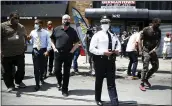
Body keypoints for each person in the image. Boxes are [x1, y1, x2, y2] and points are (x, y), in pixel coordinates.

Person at [89, 15, 121, 106]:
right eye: (103, 22)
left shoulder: (113, 35)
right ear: (100, 23)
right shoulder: (97, 35)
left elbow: (118, 45)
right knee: (99, 81)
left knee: (111, 82)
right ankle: (98, 99)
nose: (105, 24)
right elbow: (91, 49)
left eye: (106, 22)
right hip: (100, 61)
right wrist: (103, 52)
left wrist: (118, 51)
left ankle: (114, 101)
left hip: (111, 61)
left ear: (109, 23)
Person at [51, 14, 79, 97]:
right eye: (64, 19)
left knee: (66, 73)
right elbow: (52, 40)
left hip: (68, 54)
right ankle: (59, 82)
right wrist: (54, 49)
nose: (66, 21)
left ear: (70, 21)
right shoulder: (56, 29)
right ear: (62, 20)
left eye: (67, 19)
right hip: (58, 53)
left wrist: (72, 51)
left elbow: (77, 43)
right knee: (56, 70)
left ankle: (65, 90)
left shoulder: (73, 31)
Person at [1, 12, 29, 92]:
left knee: (21, 69)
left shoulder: (21, 26)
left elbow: (25, 36)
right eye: (15, 19)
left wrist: (26, 42)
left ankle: (18, 81)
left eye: (18, 19)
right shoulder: (2, 26)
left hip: (19, 53)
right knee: (7, 71)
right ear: (10, 18)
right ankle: (10, 85)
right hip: (6, 53)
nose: (17, 21)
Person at [139, 18, 161, 91]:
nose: (158, 25)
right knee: (145, 66)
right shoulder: (146, 29)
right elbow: (140, 39)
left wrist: (155, 49)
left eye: (159, 24)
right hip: (146, 50)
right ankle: (142, 83)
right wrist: (141, 50)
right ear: (153, 23)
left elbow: (159, 42)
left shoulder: (158, 31)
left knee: (156, 66)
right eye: (157, 24)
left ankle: (146, 79)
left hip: (153, 51)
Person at [29, 19, 51, 91]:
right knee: (36, 68)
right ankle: (37, 84)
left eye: (37, 23)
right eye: (35, 23)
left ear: (41, 24)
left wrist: (47, 51)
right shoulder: (32, 32)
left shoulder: (46, 33)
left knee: (42, 68)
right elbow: (31, 41)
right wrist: (28, 38)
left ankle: (41, 77)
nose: (35, 25)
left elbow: (49, 42)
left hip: (43, 51)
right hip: (35, 51)